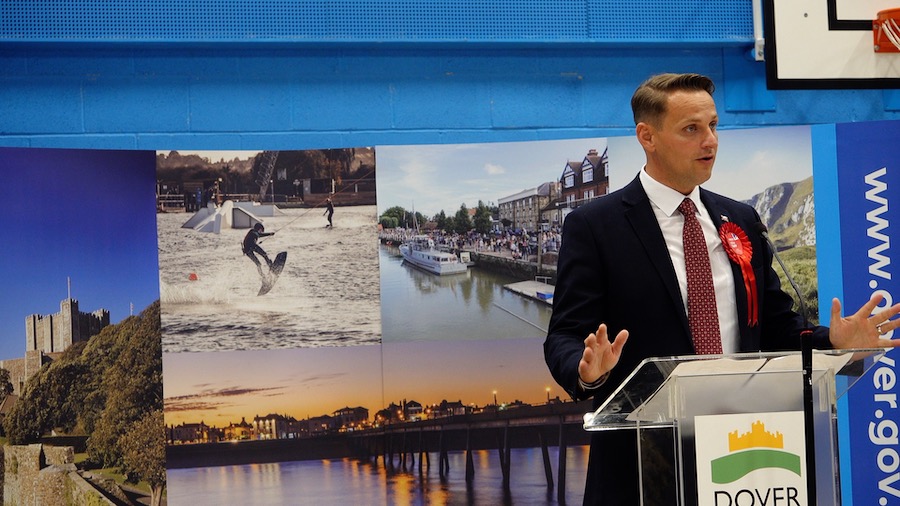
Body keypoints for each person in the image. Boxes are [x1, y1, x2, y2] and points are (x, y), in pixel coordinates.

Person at [543, 72, 900, 505]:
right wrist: (587, 371)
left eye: (713, 126)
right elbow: (564, 334)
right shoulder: (595, 225)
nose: (710, 141)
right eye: (691, 129)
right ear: (647, 136)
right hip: (642, 464)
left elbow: (775, 329)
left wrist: (831, 342)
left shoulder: (740, 219)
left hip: (746, 460)